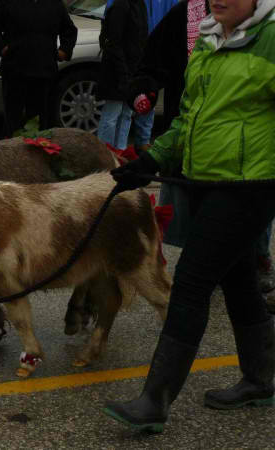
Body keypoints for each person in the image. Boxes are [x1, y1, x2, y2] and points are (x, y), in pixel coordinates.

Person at [104, 0, 275, 433]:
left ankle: (153, 402)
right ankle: (260, 378)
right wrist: (149, 159)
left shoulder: (272, 38)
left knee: (192, 283)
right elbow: (188, 118)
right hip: (206, 179)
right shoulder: (208, 36)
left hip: (249, 185)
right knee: (237, 282)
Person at [130, 0, 275, 304]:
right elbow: (156, 63)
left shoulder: (269, 34)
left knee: (191, 285)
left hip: (247, 176)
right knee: (240, 293)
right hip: (193, 149)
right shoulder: (193, 22)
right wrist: (147, 90)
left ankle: (257, 259)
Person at [0, 0, 77, 138]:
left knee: (38, 119)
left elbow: (69, 30)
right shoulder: (8, 2)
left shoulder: (55, 3)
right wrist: (2, 48)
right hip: (14, 70)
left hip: (43, 70)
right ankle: (11, 151)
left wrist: (63, 51)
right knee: (12, 117)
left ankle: (36, 152)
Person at [103, 0, 178, 153]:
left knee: (140, 102)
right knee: (114, 113)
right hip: (125, 60)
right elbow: (112, 37)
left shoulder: (141, 5)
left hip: (146, 53)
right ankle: (106, 151)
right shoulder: (121, 5)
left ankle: (131, 146)